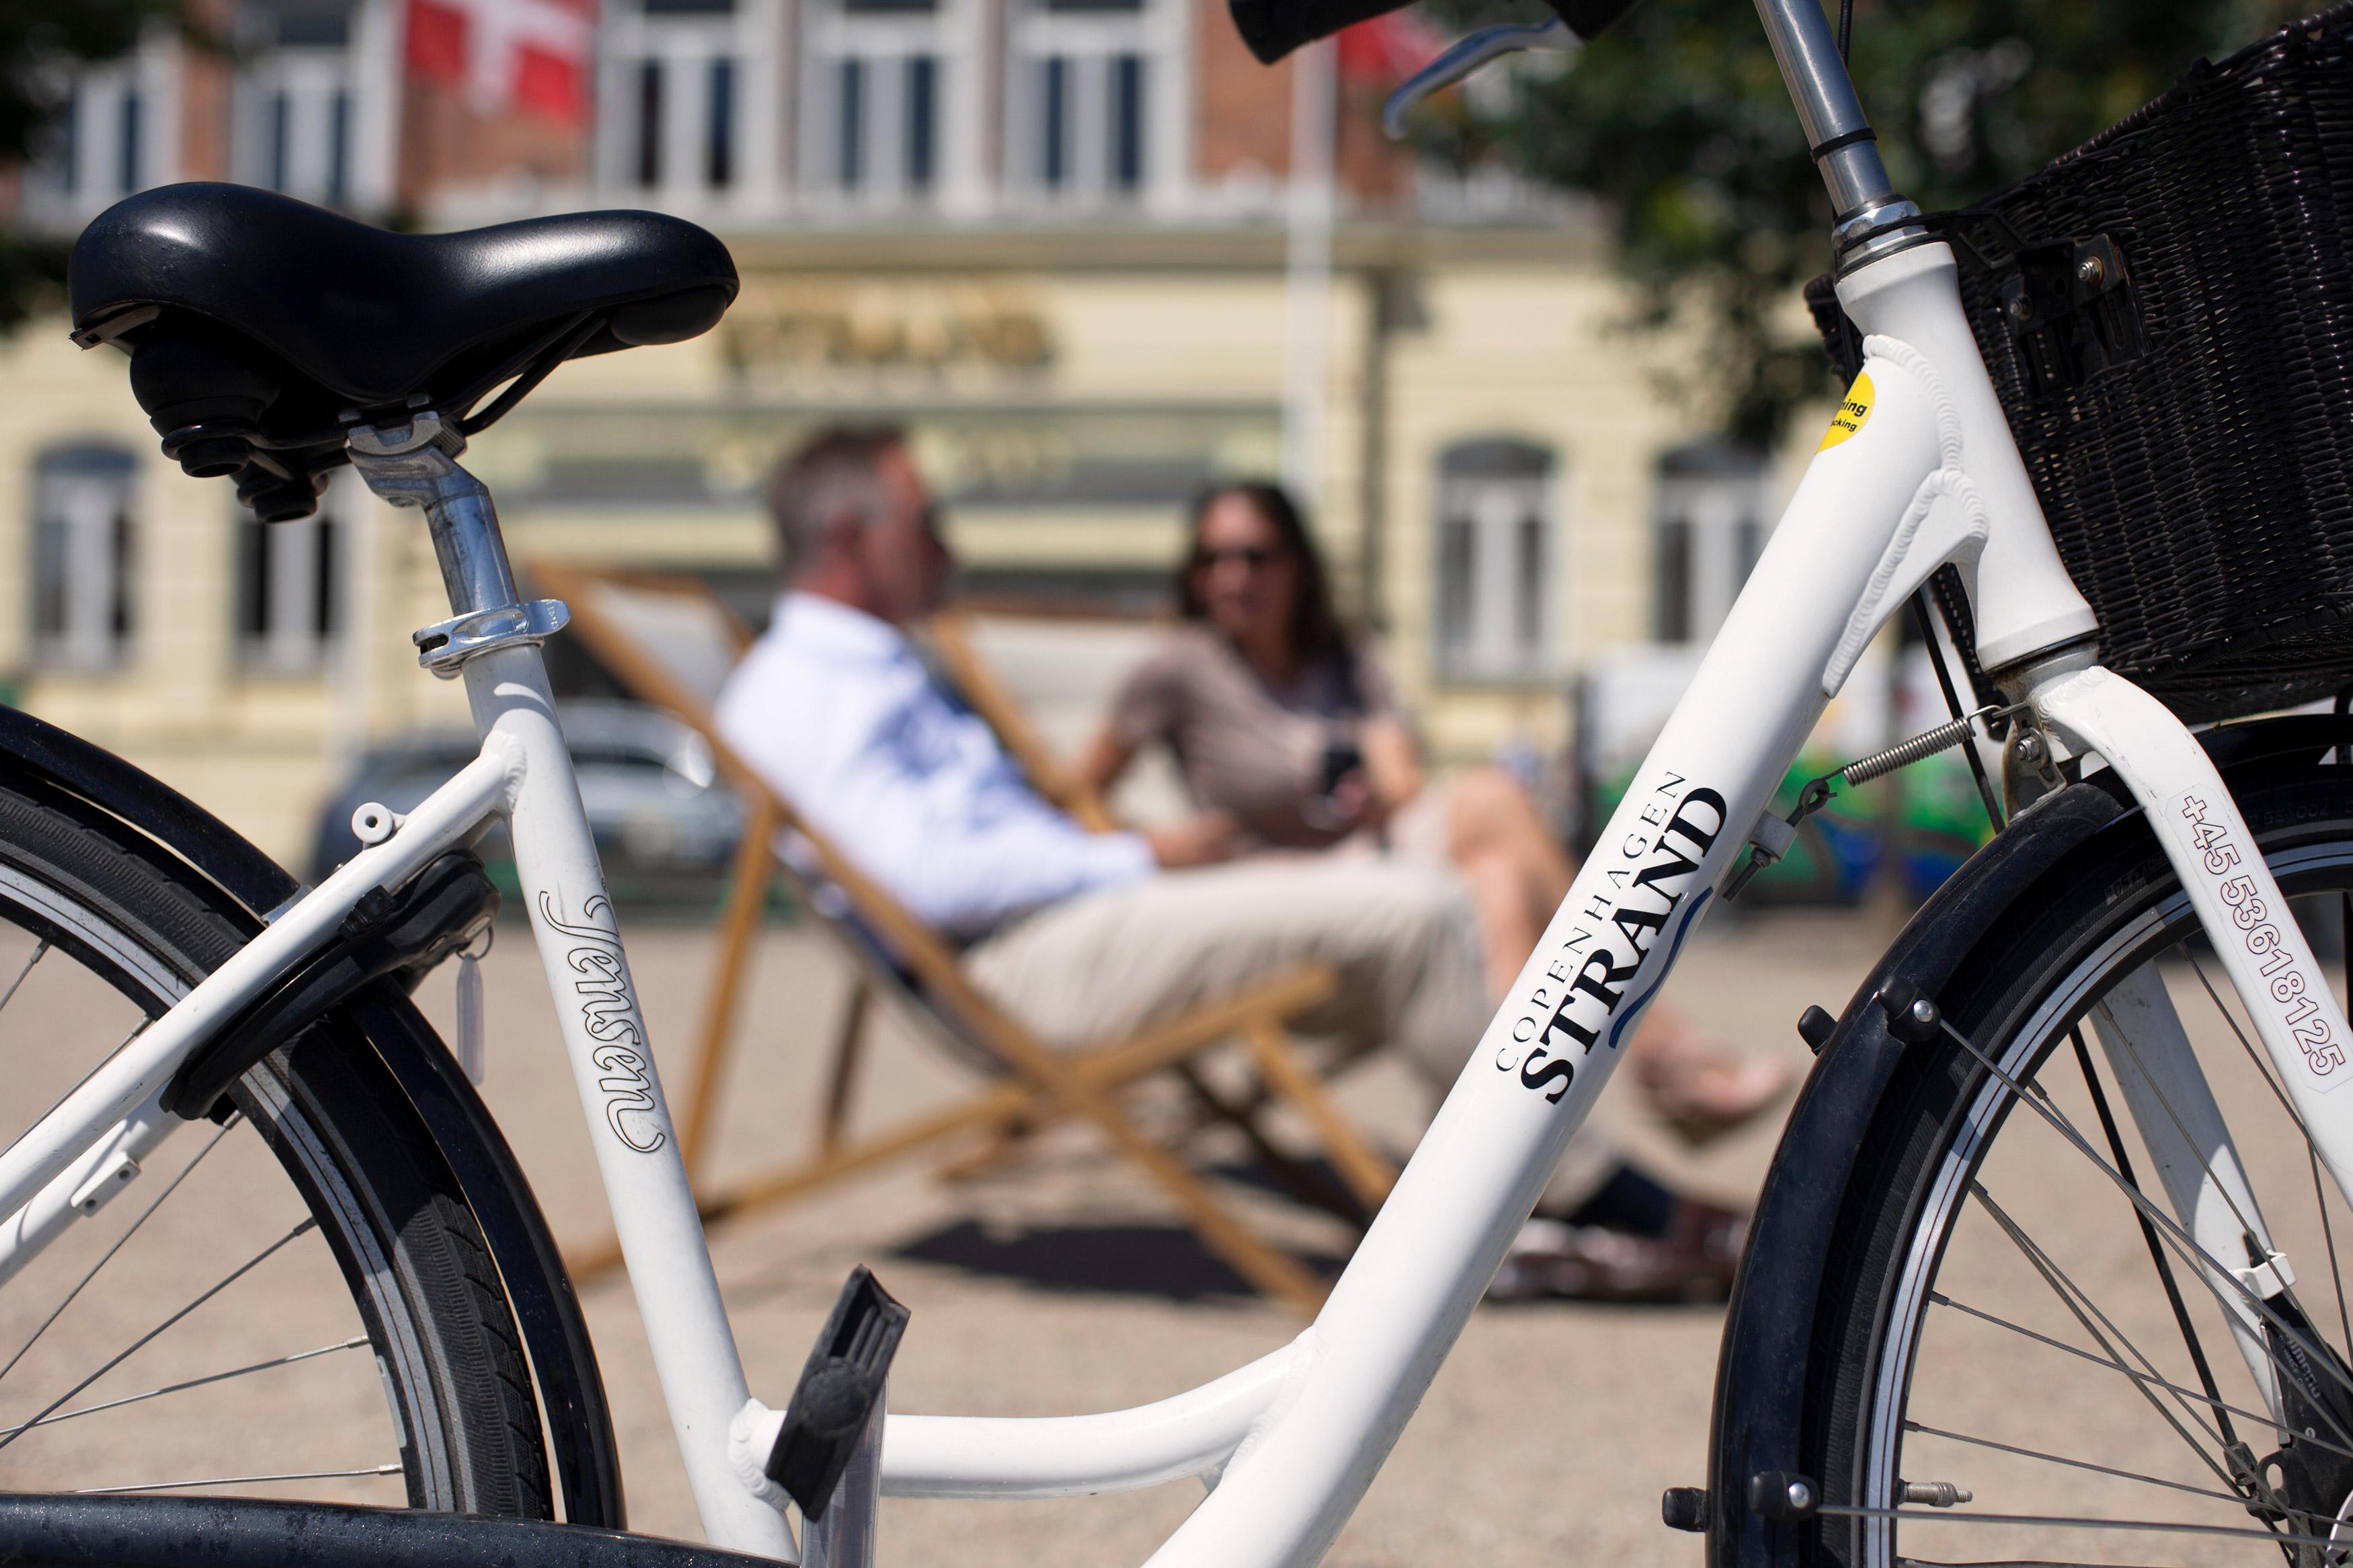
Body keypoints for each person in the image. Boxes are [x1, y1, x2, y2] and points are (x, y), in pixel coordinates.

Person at [714, 427, 1745, 1300]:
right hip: (1023, 965)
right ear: (851, 540)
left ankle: (1533, 1192)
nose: (948, 542)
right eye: (924, 521)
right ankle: (1580, 1200)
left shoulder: (861, 669)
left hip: (1060, 926)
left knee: (1440, 889)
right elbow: (930, 881)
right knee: (1417, 913)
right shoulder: (803, 689)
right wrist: (1128, 856)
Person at [1079, 480, 1792, 1144]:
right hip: (1273, 892)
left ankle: (1507, 1126)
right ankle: (1660, 1054)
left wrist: (1370, 787)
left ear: (1295, 565)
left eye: (1254, 555)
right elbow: (1077, 791)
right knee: (1491, 800)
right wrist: (1152, 847)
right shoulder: (1178, 667)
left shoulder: (1342, 657)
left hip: (1368, 856)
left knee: (1500, 877)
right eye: (1212, 558)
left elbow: (1399, 779)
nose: (1232, 576)